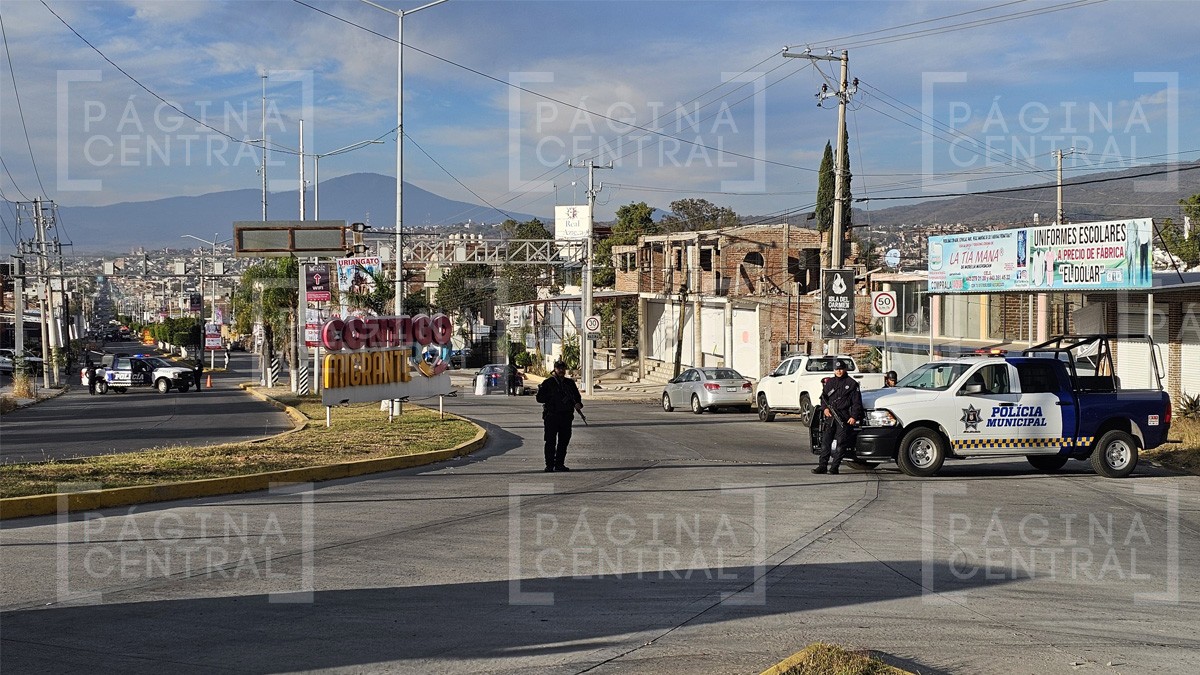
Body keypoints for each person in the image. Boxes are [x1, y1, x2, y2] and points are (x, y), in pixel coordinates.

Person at [814, 359, 864, 475]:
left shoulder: (851, 384)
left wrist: (854, 417)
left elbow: (857, 403)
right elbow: (823, 398)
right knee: (826, 442)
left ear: (845, 369)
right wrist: (825, 409)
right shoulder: (830, 382)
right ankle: (822, 466)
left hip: (844, 417)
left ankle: (834, 467)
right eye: (836, 369)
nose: (839, 371)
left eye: (841, 369)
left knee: (841, 443)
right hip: (830, 416)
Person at [536, 360, 583, 472]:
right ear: (555, 369)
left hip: (566, 417)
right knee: (550, 441)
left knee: (564, 441)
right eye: (559, 368)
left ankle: (559, 464)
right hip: (552, 416)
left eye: (563, 368)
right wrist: (551, 396)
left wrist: (578, 404)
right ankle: (549, 465)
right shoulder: (548, 383)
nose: (561, 370)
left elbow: (577, 397)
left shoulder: (569, 383)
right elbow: (539, 398)